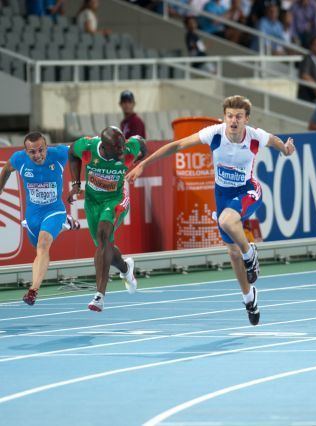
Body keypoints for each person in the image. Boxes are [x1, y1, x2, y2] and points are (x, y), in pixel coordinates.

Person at [125, 95, 296, 326]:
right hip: (223, 195)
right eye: (230, 116)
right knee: (232, 253)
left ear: (246, 119)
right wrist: (143, 164)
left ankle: (251, 254)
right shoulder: (214, 133)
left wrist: (285, 150)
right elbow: (176, 146)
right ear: (224, 118)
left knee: (227, 222)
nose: (233, 121)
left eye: (238, 116)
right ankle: (249, 297)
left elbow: (276, 141)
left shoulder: (255, 136)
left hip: (248, 191)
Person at [68, 126, 147, 312]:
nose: (121, 151)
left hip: (116, 199)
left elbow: (143, 146)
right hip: (93, 202)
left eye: (122, 146)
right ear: (104, 146)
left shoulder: (129, 148)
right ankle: (126, 268)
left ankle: (99, 296)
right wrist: (76, 184)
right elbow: (72, 153)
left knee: (104, 235)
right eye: (117, 148)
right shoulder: (88, 146)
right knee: (105, 247)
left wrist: (138, 163)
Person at [0, 132, 79, 305]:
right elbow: (6, 169)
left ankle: (33, 290)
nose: (37, 155)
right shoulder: (18, 159)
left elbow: (79, 148)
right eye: (32, 152)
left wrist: (77, 182)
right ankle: (66, 224)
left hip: (54, 209)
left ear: (46, 147)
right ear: (26, 152)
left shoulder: (58, 153)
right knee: (38, 249)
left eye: (41, 150)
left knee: (43, 244)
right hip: (33, 215)